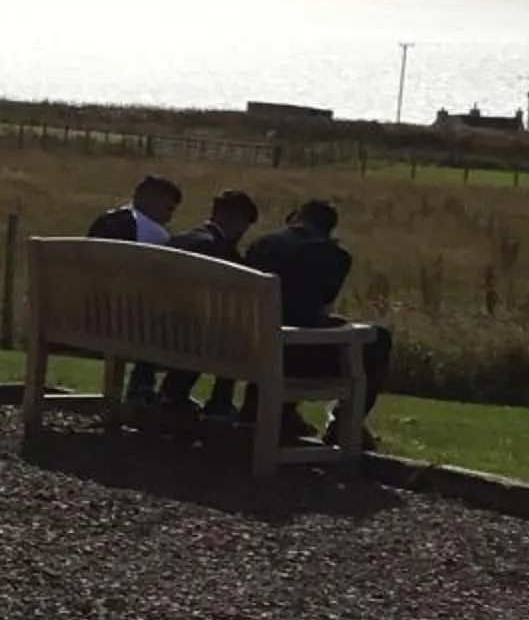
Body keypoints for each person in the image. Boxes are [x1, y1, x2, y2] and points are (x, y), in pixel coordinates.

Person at [243, 199, 393, 443]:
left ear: (295, 217)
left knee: (302, 329)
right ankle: (344, 424)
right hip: (289, 353)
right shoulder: (332, 255)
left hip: (245, 346)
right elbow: (319, 308)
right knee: (378, 339)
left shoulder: (261, 244)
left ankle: (277, 411)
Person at [156, 190, 259, 418]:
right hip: (189, 336)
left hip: (153, 329)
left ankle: (170, 392)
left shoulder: (177, 240)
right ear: (236, 220)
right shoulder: (217, 250)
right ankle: (219, 401)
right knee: (234, 335)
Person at [83, 177, 181, 405]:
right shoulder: (154, 233)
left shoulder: (105, 221)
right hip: (121, 324)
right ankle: (146, 386)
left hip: (84, 314)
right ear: (149, 199)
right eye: (168, 208)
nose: (170, 217)